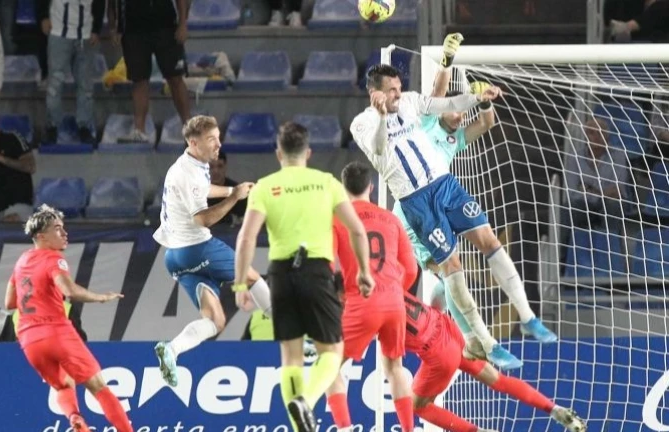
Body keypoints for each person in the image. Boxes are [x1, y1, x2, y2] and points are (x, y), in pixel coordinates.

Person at [350, 35, 555, 370]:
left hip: (445, 186)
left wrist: (477, 98)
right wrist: (383, 116)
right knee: (451, 270)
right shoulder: (363, 123)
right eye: (392, 90)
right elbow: (378, 149)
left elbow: (444, 102)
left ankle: (528, 317)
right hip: (416, 204)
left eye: (399, 88)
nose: (399, 94)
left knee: (489, 240)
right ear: (376, 93)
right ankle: (484, 342)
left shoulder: (414, 106)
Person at [233, 122, 374, 432]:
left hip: (281, 275)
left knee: (291, 358)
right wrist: (364, 271)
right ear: (308, 153)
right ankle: (306, 401)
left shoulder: (265, 186)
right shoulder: (326, 183)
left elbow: (246, 238)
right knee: (332, 352)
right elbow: (356, 230)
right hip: (316, 271)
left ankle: (301, 426)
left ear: (278, 153)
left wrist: (241, 283)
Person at [152, 115, 273, 388]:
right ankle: (294, 336)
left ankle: (172, 349)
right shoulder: (187, 173)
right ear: (193, 143)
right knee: (252, 277)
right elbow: (202, 219)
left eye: (218, 137)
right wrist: (235, 197)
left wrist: (232, 189)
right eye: (211, 140)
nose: (218, 144)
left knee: (215, 320)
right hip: (197, 248)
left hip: (175, 258)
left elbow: (203, 189)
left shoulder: (193, 164)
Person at [402, 273, 587, 432]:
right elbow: (442, 288)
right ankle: (555, 409)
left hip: (439, 354)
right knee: (498, 380)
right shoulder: (393, 283)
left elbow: (394, 366)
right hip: (448, 328)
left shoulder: (383, 320)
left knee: (418, 405)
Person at [5, 205, 133, 432]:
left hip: (29, 341)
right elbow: (70, 291)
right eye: (57, 229)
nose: (64, 233)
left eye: (63, 228)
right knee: (99, 387)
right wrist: (101, 297)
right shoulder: (54, 258)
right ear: (41, 237)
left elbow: (9, 303)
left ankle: (75, 418)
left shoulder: (22, 260)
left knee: (63, 386)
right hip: (56, 332)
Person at [326, 161, 419, 432]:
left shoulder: (337, 219)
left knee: (328, 366)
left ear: (343, 188)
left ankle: (345, 428)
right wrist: (395, 292)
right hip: (394, 302)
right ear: (371, 187)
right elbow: (411, 269)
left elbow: (327, 265)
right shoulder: (391, 219)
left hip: (362, 300)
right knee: (395, 367)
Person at [113, 0, 191, 143]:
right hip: (133, 30)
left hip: (166, 26)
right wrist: (116, 27)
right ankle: (139, 131)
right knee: (139, 80)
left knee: (175, 79)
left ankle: (190, 128)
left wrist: (182, 24)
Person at [39, 0, 105, 144]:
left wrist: (96, 29)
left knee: (85, 85)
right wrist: (43, 16)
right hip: (58, 31)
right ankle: (52, 127)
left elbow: (100, 2)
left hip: (85, 34)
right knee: (54, 84)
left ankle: (84, 126)